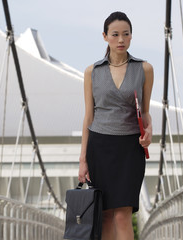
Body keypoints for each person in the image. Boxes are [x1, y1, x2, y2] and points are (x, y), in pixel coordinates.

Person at [78, 11, 154, 240]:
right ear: (105, 36)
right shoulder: (92, 72)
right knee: (105, 215)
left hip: (130, 149)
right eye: (115, 34)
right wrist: (83, 159)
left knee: (122, 214)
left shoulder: (145, 69)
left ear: (131, 37)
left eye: (126, 34)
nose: (121, 39)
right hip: (99, 147)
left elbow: (146, 112)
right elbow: (88, 117)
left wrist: (149, 133)